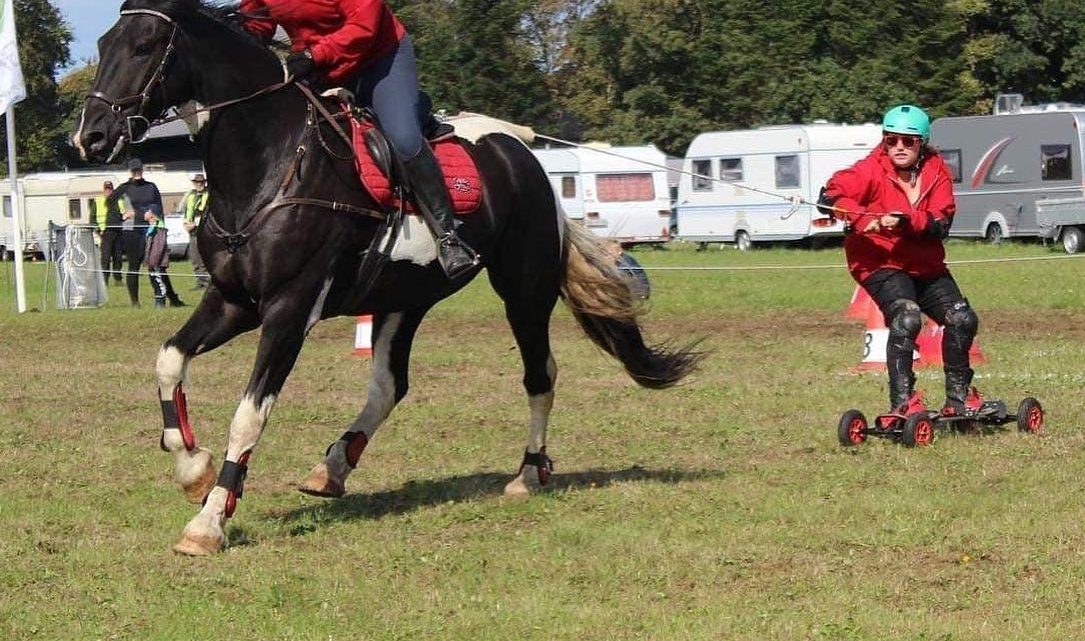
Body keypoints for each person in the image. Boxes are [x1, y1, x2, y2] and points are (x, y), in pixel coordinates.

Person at [239, 0, 479, 279]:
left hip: (379, 59)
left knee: (403, 139)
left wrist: (313, 55)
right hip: (320, 68)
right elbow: (257, 23)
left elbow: (363, 27)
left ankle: (447, 235)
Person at [821, 104, 979, 416]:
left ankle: (958, 399)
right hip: (879, 261)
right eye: (891, 140)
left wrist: (906, 220)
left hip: (925, 263)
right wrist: (852, 211)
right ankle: (904, 403)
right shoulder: (871, 169)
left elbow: (941, 223)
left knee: (963, 319)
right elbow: (832, 193)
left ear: (922, 142)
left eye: (908, 141)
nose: (898, 147)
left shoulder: (937, 172)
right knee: (906, 318)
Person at [109, 158, 165, 307]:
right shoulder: (124, 188)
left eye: (139, 169)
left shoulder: (151, 187)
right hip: (131, 231)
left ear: (142, 170)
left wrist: (153, 215)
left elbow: (159, 205)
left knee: (154, 265)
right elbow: (110, 203)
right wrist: (124, 215)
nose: (137, 172)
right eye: (134, 170)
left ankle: (159, 299)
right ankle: (135, 302)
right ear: (130, 171)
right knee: (134, 266)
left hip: (151, 228)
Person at [144, 204, 186, 309]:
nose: (145, 213)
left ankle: (160, 301)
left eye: (147, 211)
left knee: (158, 280)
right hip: (152, 262)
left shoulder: (158, 230)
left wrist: (153, 262)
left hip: (155, 262)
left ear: (153, 215)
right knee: (157, 279)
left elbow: (158, 248)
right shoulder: (152, 227)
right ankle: (173, 299)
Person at [180, 173, 211, 289]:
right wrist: (185, 223)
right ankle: (200, 282)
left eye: (201, 182)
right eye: (197, 182)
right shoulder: (191, 195)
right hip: (192, 230)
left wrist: (196, 224)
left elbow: (209, 212)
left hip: (205, 230)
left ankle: (208, 282)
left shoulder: (209, 195)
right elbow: (187, 211)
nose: (199, 184)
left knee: (205, 258)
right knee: (195, 258)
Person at [94, 180, 125, 286]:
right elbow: (92, 219)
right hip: (105, 233)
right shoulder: (98, 201)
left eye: (110, 189)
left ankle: (118, 279)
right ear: (103, 190)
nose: (108, 191)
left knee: (118, 257)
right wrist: (98, 231)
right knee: (105, 258)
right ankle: (104, 280)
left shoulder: (119, 201)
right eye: (106, 189)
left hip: (118, 232)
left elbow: (124, 215)